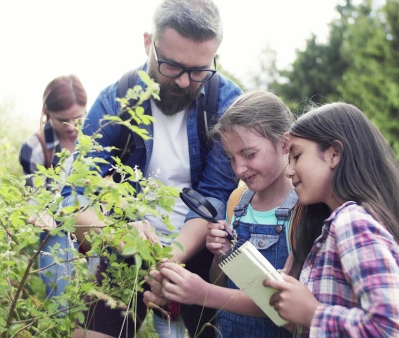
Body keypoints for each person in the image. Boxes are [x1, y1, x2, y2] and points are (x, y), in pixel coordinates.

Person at [158, 102, 399, 337]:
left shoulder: (351, 223)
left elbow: (398, 330)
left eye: (297, 155)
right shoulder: (325, 222)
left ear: (334, 154)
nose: (290, 170)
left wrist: (313, 313)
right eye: (232, 158)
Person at [60, 1, 242, 337]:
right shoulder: (115, 101)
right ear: (148, 43)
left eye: (200, 70)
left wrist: (168, 259)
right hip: (125, 245)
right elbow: (74, 199)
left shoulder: (227, 103)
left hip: (202, 249)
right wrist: (121, 235)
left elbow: (215, 196)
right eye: (173, 67)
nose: (187, 82)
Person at [143, 90, 296, 338]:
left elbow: (287, 307)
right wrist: (222, 255)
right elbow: (220, 279)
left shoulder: (302, 209)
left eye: (249, 154)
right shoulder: (237, 201)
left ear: (285, 143)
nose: (239, 168)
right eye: (230, 158)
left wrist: (203, 293)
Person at [18, 74, 88, 300]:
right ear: (48, 115)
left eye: (78, 118)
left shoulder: (97, 139)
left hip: (93, 219)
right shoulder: (35, 147)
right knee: (56, 282)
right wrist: (38, 213)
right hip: (55, 223)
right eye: (63, 120)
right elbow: (36, 198)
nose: (72, 126)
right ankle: (59, 322)